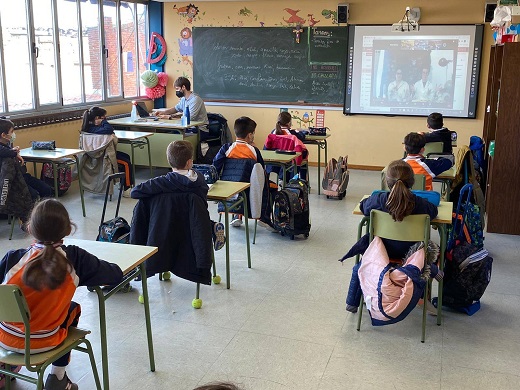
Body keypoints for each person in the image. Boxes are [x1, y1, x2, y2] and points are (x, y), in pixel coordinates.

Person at [0, 199, 123, 390]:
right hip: (43, 342)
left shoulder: (12, 259)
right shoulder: (75, 260)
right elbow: (115, 274)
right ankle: (57, 378)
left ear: (30, 228)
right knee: (72, 308)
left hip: (4, 339)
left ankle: (4, 367)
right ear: (68, 230)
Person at [344, 160, 441, 313]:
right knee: (431, 251)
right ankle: (423, 295)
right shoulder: (422, 205)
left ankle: (352, 302)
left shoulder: (378, 200)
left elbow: (363, 206)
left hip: (381, 254)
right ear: (413, 182)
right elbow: (434, 212)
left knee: (365, 259)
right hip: (412, 257)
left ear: (387, 181)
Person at [131, 140, 225, 251]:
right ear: (190, 162)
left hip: (165, 228)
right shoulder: (199, 180)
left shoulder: (161, 182)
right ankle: (210, 226)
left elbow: (135, 192)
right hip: (194, 228)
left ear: (168, 160)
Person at [213, 117, 266, 227]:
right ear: (250, 135)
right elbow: (261, 170)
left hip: (227, 189)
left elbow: (215, 165)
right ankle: (265, 217)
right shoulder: (254, 151)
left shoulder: (226, 148)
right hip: (248, 189)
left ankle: (237, 215)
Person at [80, 106, 134, 197]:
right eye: (104, 117)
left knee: (126, 156)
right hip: (105, 157)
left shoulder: (87, 129)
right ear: (97, 118)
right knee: (126, 163)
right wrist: (104, 122)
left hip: (95, 156)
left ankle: (123, 182)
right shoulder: (95, 129)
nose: (105, 119)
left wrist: (102, 121)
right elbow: (109, 129)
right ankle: (127, 189)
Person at [0, 117, 53, 201]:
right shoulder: (3, 149)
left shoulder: (7, 144)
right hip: (13, 181)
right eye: (11, 132)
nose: (13, 134)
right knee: (33, 195)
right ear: (3, 135)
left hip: (23, 176)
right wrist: (14, 153)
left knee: (46, 189)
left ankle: (44, 211)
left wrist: (14, 152)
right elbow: (4, 151)